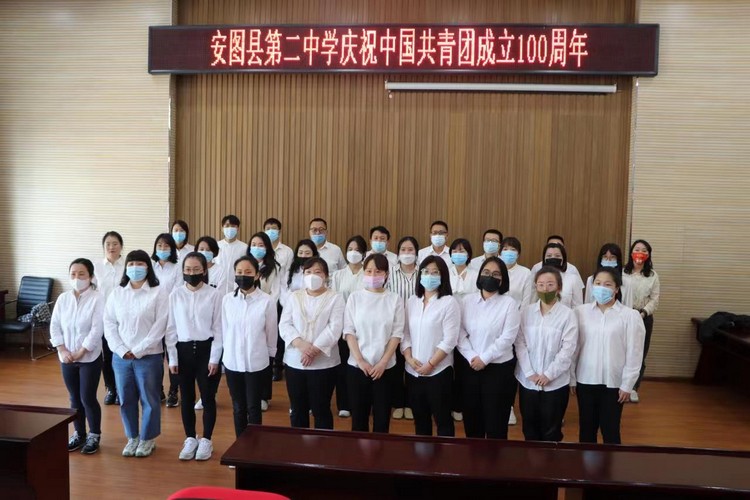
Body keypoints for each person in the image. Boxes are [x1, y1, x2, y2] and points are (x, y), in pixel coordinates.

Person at [104, 250, 169, 458]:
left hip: (149, 356)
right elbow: (109, 323)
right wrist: (121, 349)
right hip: (121, 357)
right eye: (131, 264)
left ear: (148, 267)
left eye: (140, 264)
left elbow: (160, 325)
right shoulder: (117, 293)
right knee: (126, 398)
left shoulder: (158, 292)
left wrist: (139, 350)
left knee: (149, 399)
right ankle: (132, 437)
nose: (135, 268)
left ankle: (147, 438)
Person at [572, 268, 646, 444]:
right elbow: (574, 348)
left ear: (616, 289)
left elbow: (634, 352)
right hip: (586, 379)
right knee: (586, 430)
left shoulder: (630, 316)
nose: (602, 288)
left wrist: (628, 384)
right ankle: (586, 462)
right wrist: (571, 378)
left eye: (607, 284)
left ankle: (611, 462)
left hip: (614, 383)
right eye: (598, 284)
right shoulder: (580, 312)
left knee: (610, 430)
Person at [166, 252, 222, 461]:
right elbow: (171, 329)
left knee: (207, 397)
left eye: (196, 269)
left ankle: (206, 439)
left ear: (204, 270)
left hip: (207, 350)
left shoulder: (214, 294)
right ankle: (190, 437)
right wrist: (172, 358)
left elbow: (219, 329)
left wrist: (215, 358)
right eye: (188, 269)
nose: (192, 273)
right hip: (183, 350)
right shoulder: (175, 295)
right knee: (187, 397)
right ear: (182, 271)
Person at [457, 257, 519, 439]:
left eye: (496, 274)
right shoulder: (467, 301)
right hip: (470, 366)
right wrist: (472, 356)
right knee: (472, 420)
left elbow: (508, 337)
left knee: (496, 423)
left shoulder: (509, 304)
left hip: (499, 369)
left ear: (502, 279)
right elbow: (460, 332)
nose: (490, 276)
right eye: (486, 272)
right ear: (479, 275)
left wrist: (484, 359)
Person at [279, 257, 345, 429]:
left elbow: (335, 327)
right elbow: (285, 324)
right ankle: (299, 444)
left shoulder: (335, 298)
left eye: (317, 272)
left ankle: (322, 444)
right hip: (295, 360)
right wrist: (301, 345)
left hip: (324, 363)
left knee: (321, 408)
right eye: (308, 272)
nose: (312, 276)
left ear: (326, 276)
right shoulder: (294, 296)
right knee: (297, 409)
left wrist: (314, 349)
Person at [514, 267, 577, 442]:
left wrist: (549, 374)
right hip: (528, 382)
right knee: (529, 429)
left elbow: (568, 349)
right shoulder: (525, 312)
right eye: (541, 284)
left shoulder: (568, 315)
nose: (545, 289)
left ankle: (550, 459)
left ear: (559, 288)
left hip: (555, 383)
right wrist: (529, 373)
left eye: (550, 284)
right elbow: (520, 343)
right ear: (535, 287)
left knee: (552, 430)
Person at [344, 254, 404, 432]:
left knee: (382, 420)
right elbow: (349, 331)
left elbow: (396, 334)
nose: (373, 275)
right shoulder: (355, 297)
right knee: (358, 419)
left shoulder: (394, 299)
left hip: (385, 368)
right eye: (369, 271)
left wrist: (383, 362)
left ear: (386, 274)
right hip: (357, 366)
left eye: (378, 271)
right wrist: (360, 360)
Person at [51, 258, 105, 455]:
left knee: (87, 397)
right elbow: (55, 325)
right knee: (74, 398)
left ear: (90, 276)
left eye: (81, 274)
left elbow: (97, 329)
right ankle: (79, 433)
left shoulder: (98, 298)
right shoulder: (63, 298)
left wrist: (81, 351)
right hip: (67, 357)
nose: (77, 278)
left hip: (89, 357)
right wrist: (62, 350)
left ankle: (94, 435)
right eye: (73, 274)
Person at [402, 256, 460, 437]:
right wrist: (409, 358)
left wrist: (431, 364)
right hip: (413, 371)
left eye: (435, 273)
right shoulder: (412, 301)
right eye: (426, 272)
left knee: (443, 420)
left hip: (438, 371)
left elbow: (450, 340)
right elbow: (405, 333)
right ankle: (423, 453)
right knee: (420, 420)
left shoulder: (449, 302)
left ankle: (446, 454)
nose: (430, 276)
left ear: (443, 277)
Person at [222, 256, 277, 437]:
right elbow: (224, 329)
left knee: (254, 407)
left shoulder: (267, 301)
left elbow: (271, 332)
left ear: (257, 275)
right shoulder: (227, 300)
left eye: (248, 272)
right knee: (238, 407)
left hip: (257, 362)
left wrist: (270, 356)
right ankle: (241, 445)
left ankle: (256, 446)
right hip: (233, 362)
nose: (243, 276)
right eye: (239, 272)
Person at [331, 235, 368, 418]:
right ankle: (344, 403)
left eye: (358, 250)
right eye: (350, 249)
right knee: (343, 366)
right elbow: (333, 300)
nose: (354, 253)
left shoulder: (368, 274)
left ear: (364, 253)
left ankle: (361, 403)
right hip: (342, 326)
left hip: (363, 326)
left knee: (361, 364)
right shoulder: (338, 275)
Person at [386, 236, 420, 421]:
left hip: (418, 326)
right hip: (394, 326)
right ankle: (399, 402)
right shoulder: (390, 273)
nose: (407, 253)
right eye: (403, 250)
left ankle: (412, 404)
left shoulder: (424, 273)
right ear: (398, 253)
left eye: (410, 250)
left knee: (414, 364)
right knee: (397, 366)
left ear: (416, 252)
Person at [623, 240, 660, 403]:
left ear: (648, 254)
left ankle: (633, 388)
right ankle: (621, 384)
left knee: (639, 352)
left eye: (644, 250)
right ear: (631, 253)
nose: (640, 252)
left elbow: (655, 299)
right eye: (637, 249)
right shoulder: (623, 273)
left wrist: (643, 313)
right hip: (624, 316)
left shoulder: (652, 275)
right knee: (623, 351)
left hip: (643, 317)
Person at [277, 239, 319, 382]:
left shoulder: (319, 272)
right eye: (300, 252)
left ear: (314, 254)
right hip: (292, 312)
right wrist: (293, 304)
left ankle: (310, 353)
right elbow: (284, 291)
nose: (304, 255)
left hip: (314, 312)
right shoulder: (290, 272)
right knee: (293, 339)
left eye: (307, 253)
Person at [249, 231, 282, 412]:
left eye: (261, 245)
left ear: (267, 248)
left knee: (266, 354)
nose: (257, 248)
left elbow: (276, 292)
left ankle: (264, 396)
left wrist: (265, 305)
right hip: (247, 312)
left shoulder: (273, 267)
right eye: (254, 244)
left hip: (267, 310)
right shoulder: (244, 264)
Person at [447, 238, 478, 422]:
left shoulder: (475, 274)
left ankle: (460, 405)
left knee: (463, 368)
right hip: (447, 323)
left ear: (468, 254)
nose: (458, 254)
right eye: (455, 251)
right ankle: (449, 404)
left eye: (462, 250)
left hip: (468, 325)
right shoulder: (445, 272)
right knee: (447, 366)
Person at [93, 231, 124, 406]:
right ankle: (111, 388)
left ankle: (121, 389)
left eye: (115, 243)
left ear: (121, 246)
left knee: (121, 354)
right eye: (108, 244)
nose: (111, 247)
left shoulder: (127, 265)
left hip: (123, 318)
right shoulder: (97, 267)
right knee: (107, 355)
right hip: (104, 318)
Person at [151, 233, 181, 407]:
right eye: (159, 246)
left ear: (172, 249)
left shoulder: (177, 268)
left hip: (171, 316)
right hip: (153, 317)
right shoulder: (151, 266)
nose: (162, 249)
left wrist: (163, 306)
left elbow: (177, 292)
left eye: (166, 246)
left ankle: (174, 391)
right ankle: (159, 389)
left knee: (172, 354)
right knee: (156, 355)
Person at [539, 243, 584, 308]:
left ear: (563, 259)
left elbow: (578, 307)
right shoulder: (539, 278)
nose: (553, 258)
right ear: (544, 259)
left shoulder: (573, 279)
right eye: (549, 256)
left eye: (557, 256)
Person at [500, 236, 534, 306]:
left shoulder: (525, 272)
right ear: (500, 253)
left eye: (513, 249)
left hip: (517, 311)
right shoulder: (495, 271)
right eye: (505, 249)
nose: (509, 252)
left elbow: (526, 300)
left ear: (518, 254)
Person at [263, 217, 294, 282]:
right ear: (264, 232)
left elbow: (289, 273)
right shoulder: (260, 250)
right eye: (268, 229)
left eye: (274, 228)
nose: (271, 231)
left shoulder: (288, 251)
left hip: (281, 287)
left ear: (279, 232)